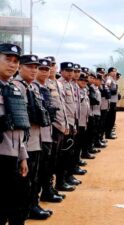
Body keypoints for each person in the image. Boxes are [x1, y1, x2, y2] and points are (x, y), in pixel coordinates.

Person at [13, 55, 52, 220]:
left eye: (36, 67)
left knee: (33, 180)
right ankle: (27, 209)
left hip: (35, 140)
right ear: (19, 67)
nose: (34, 70)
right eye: (30, 66)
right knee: (22, 184)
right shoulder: (16, 87)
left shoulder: (33, 88)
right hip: (23, 145)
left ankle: (31, 207)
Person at [0, 43, 29, 225]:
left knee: (17, 208)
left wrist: (23, 156)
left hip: (13, 157)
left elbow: (19, 127)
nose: (12, 64)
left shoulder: (15, 89)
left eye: (15, 61)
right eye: (7, 59)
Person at [34, 58, 63, 206]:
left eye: (48, 68)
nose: (46, 71)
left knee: (47, 166)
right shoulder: (33, 87)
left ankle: (45, 193)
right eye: (42, 68)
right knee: (37, 171)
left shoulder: (47, 86)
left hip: (48, 133)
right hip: (36, 138)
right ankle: (33, 203)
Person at [43, 56, 67, 201]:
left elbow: (61, 106)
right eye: (49, 66)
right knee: (48, 162)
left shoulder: (56, 84)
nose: (52, 69)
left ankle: (50, 188)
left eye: (53, 66)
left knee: (54, 161)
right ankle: (47, 190)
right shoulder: (44, 84)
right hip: (51, 129)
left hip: (59, 127)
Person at [57, 62, 78, 192]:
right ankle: (60, 181)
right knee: (63, 155)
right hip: (64, 125)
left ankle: (66, 177)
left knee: (69, 153)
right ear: (61, 71)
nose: (70, 73)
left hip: (71, 122)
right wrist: (65, 125)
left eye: (72, 70)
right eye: (67, 70)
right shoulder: (60, 84)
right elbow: (62, 108)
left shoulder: (70, 84)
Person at [105, 67, 118, 139]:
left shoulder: (113, 79)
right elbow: (107, 87)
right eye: (113, 71)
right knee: (110, 118)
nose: (115, 72)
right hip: (111, 101)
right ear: (109, 72)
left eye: (115, 71)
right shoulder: (109, 78)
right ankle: (108, 134)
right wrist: (111, 92)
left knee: (112, 118)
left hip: (114, 101)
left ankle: (109, 132)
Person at [97, 68, 108, 148]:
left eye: (103, 72)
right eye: (100, 72)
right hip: (98, 108)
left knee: (102, 124)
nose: (102, 74)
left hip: (103, 106)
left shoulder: (103, 82)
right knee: (98, 126)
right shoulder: (99, 83)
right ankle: (97, 140)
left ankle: (99, 138)